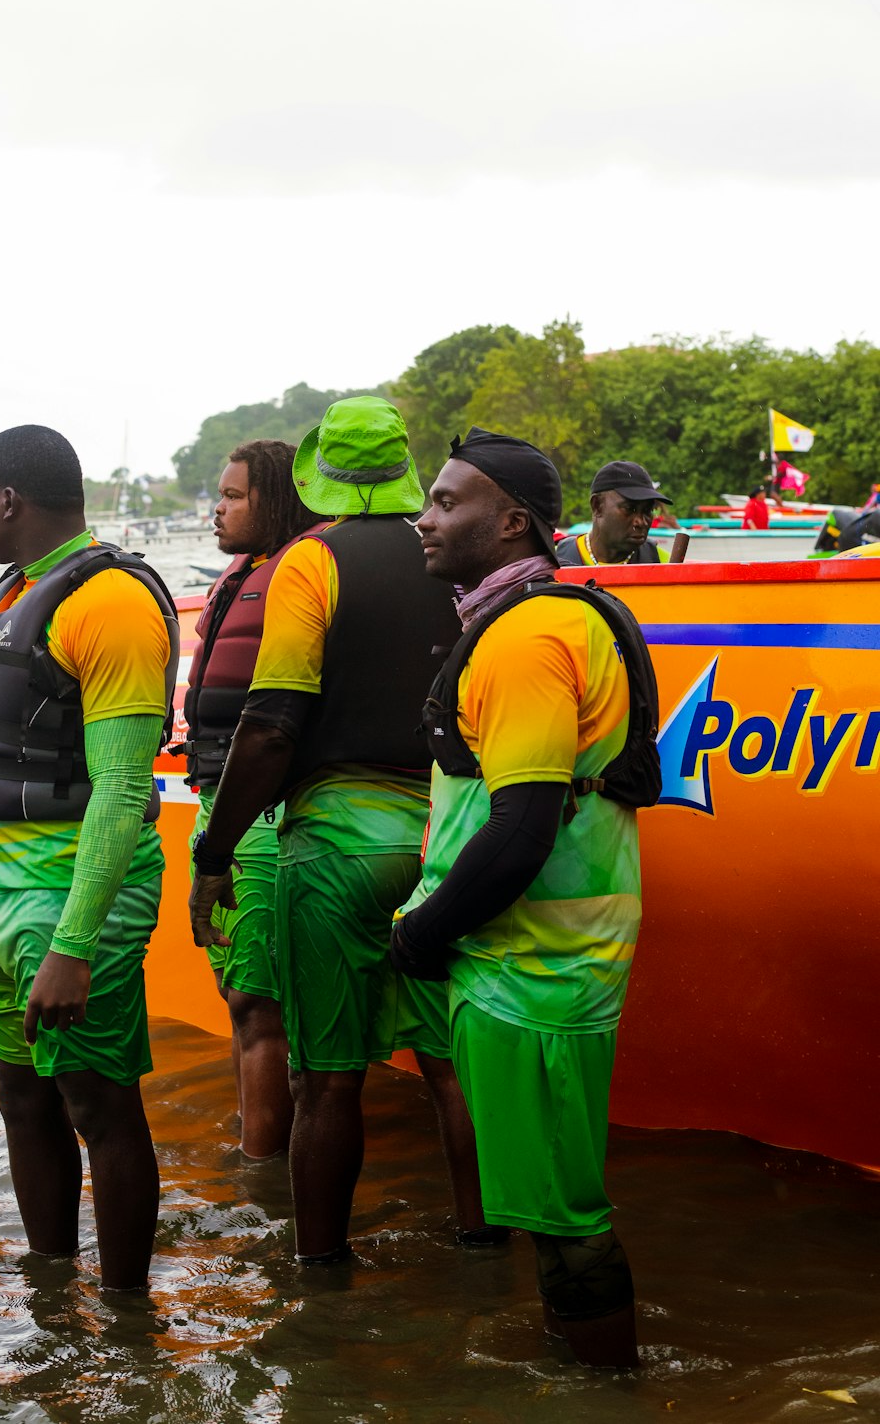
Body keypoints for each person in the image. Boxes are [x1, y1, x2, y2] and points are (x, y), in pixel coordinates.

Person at [188, 395, 489, 1261]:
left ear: (325, 474)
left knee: (325, 1080)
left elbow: (273, 721)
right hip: (442, 844)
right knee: (446, 1065)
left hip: (336, 847)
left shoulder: (311, 563)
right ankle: (481, 1244)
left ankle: (319, 1282)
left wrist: (216, 854)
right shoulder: (452, 558)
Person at [392, 426, 644, 1368]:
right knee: (551, 1207)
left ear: (511, 524)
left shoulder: (531, 636)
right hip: (531, 961)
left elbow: (523, 828)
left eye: (447, 502)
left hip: (535, 967)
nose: (425, 517)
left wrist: (422, 934)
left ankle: (603, 1389)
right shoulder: (541, 618)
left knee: (568, 1222)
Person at [0, 425, 178, 1290]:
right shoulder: (12, 596)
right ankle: (50, 1299)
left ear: (8, 501)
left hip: (80, 888)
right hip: (1, 883)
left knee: (97, 1105)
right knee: (21, 1099)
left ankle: (125, 1318)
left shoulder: (110, 603)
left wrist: (74, 944)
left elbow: (118, 788)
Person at [180, 439, 319, 1158]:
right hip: (220, 803)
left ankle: (262, 1181)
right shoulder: (247, 574)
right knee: (240, 997)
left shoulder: (305, 571)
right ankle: (253, 1152)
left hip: (263, 813)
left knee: (259, 1006)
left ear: (275, 497)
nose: (218, 509)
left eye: (233, 496)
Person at [555, 460, 672, 565]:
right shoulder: (551, 561)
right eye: (630, 509)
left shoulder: (664, 562)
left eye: (648, 510)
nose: (641, 522)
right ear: (597, 506)